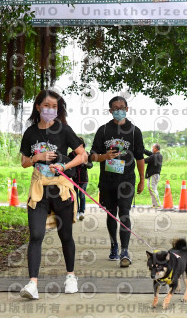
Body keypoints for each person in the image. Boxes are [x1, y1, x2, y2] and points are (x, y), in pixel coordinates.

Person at [19, 90, 87, 300]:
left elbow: (83, 155)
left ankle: (70, 277)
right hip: (39, 190)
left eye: (54, 107)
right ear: (38, 107)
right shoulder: (30, 132)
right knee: (36, 235)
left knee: (65, 236)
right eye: (46, 106)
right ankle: (32, 284)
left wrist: (64, 166)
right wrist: (36, 157)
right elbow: (24, 162)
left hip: (61, 190)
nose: (50, 110)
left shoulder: (64, 129)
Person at [90, 96, 145, 268]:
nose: (119, 110)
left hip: (127, 180)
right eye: (115, 108)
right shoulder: (103, 130)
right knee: (111, 214)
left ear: (127, 109)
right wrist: (104, 156)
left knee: (124, 213)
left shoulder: (135, 132)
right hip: (107, 181)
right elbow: (92, 156)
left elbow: (140, 157)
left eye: (122, 107)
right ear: (110, 111)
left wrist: (142, 180)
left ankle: (125, 251)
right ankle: (114, 245)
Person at [69, 137, 93, 220]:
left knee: (82, 195)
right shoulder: (71, 155)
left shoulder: (87, 154)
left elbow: (90, 165)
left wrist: (85, 163)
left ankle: (81, 212)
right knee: (75, 195)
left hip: (83, 179)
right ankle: (76, 211)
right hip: (74, 179)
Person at [144, 144, 163, 208]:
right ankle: (154, 204)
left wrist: (138, 157)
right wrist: (143, 150)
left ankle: (158, 204)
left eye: (153, 148)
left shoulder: (154, 156)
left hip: (153, 175)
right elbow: (150, 153)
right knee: (152, 188)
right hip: (156, 175)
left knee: (152, 188)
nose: (152, 149)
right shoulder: (159, 155)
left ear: (156, 149)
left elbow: (144, 161)